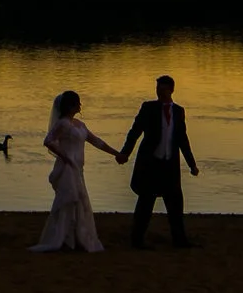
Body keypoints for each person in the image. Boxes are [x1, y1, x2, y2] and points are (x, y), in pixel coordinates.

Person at [117, 74, 198, 249]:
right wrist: (125, 153)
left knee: (175, 204)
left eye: (163, 89)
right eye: (158, 89)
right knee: (145, 203)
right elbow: (135, 131)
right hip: (150, 163)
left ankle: (179, 240)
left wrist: (191, 164)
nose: (160, 93)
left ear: (171, 90)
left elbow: (182, 139)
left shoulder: (178, 111)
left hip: (170, 164)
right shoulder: (148, 108)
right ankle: (137, 240)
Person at [31, 89, 116, 252]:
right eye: (77, 103)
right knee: (69, 199)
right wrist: (65, 157)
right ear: (70, 106)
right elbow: (48, 141)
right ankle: (65, 239)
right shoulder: (63, 124)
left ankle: (76, 238)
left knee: (79, 201)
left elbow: (96, 141)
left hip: (78, 168)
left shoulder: (79, 124)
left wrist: (116, 153)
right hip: (68, 167)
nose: (80, 105)